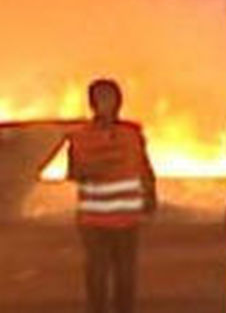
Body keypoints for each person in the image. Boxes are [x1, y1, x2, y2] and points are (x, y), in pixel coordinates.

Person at [67, 79, 156, 313]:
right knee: (102, 272)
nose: (106, 105)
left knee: (121, 273)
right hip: (99, 218)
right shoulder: (84, 136)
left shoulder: (129, 134)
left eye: (109, 100)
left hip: (118, 217)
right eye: (103, 100)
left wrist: (150, 195)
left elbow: (145, 167)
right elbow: (75, 172)